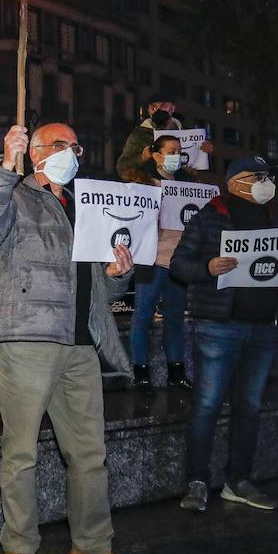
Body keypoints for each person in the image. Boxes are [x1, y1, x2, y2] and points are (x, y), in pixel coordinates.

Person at [0, 122, 143, 554]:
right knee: (21, 453)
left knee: (90, 454)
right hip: (27, 339)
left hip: (81, 343)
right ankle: (20, 548)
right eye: (62, 144)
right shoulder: (15, 194)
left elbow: (103, 286)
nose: (72, 152)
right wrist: (5, 165)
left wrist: (117, 272)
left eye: (76, 145)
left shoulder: (88, 207)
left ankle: (92, 547)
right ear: (36, 152)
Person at [170, 156, 278, 513]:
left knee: (250, 408)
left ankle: (239, 479)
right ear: (235, 180)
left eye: (268, 175)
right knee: (206, 407)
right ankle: (197, 481)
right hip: (218, 327)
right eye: (258, 176)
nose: (266, 181)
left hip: (265, 327)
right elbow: (179, 265)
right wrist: (207, 267)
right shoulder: (209, 215)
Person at [124, 135, 194, 394]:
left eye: (179, 151)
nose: (176, 155)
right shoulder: (142, 182)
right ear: (156, 155)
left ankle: (177, 373)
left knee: (175, 319)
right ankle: (140, 373)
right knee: (142, 317)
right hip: (152, 261)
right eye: (171, 151)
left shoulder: (188, 183)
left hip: (178, 262)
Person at [116, 94, 211, 181]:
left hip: (178, 188)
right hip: (150, 187)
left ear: (172, 108)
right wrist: (142, 157)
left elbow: (194, 171)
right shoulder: (140, 135)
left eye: (163, 107)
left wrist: (203, 153)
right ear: (148, 110)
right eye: (153, 108)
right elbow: (122, 167)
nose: (158, 110)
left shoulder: (187, 134)